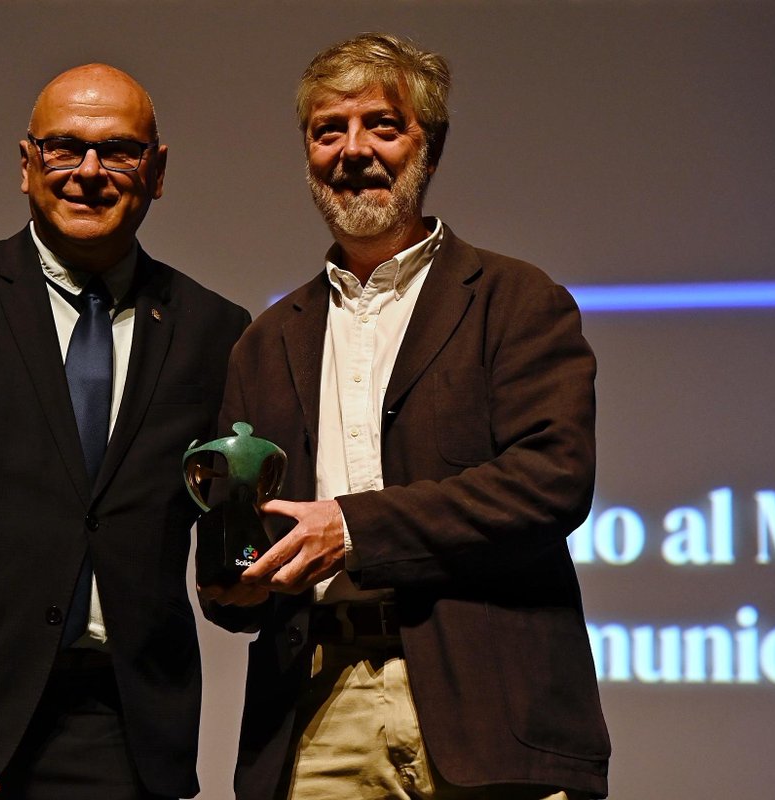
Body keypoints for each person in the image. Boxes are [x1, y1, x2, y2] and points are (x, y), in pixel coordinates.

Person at [201, 33, 610, 800]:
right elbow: (238, 543)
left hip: (491, 710)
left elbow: (551, 480)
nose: (353, 151)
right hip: (316, 710)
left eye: (382, 126)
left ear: (432, 144)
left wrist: (352, 530)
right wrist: (233, 581)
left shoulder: (515, 302)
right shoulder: (265, 341)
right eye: (329, 130)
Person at [0, 63, 250, 800]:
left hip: (118, 734)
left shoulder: (215, 330)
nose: (89, 172)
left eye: (118, 150)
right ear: (28, 165)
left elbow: (227, 527)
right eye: (64, 147)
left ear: (156, 173)